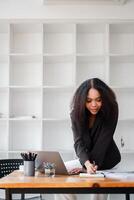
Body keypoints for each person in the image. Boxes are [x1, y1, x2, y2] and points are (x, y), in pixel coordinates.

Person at [55, 78, 121, 200]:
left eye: (98, 100)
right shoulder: (76, 113)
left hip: (107, 160)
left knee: (98, 195)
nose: (94, 105)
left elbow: (103, 142)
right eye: (89, 101)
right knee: (59, 178)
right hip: (86, 160)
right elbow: (78, 142)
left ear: (104, 99)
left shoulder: (111, 109)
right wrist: (85, 163)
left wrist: (87, 167)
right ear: (82, 101)